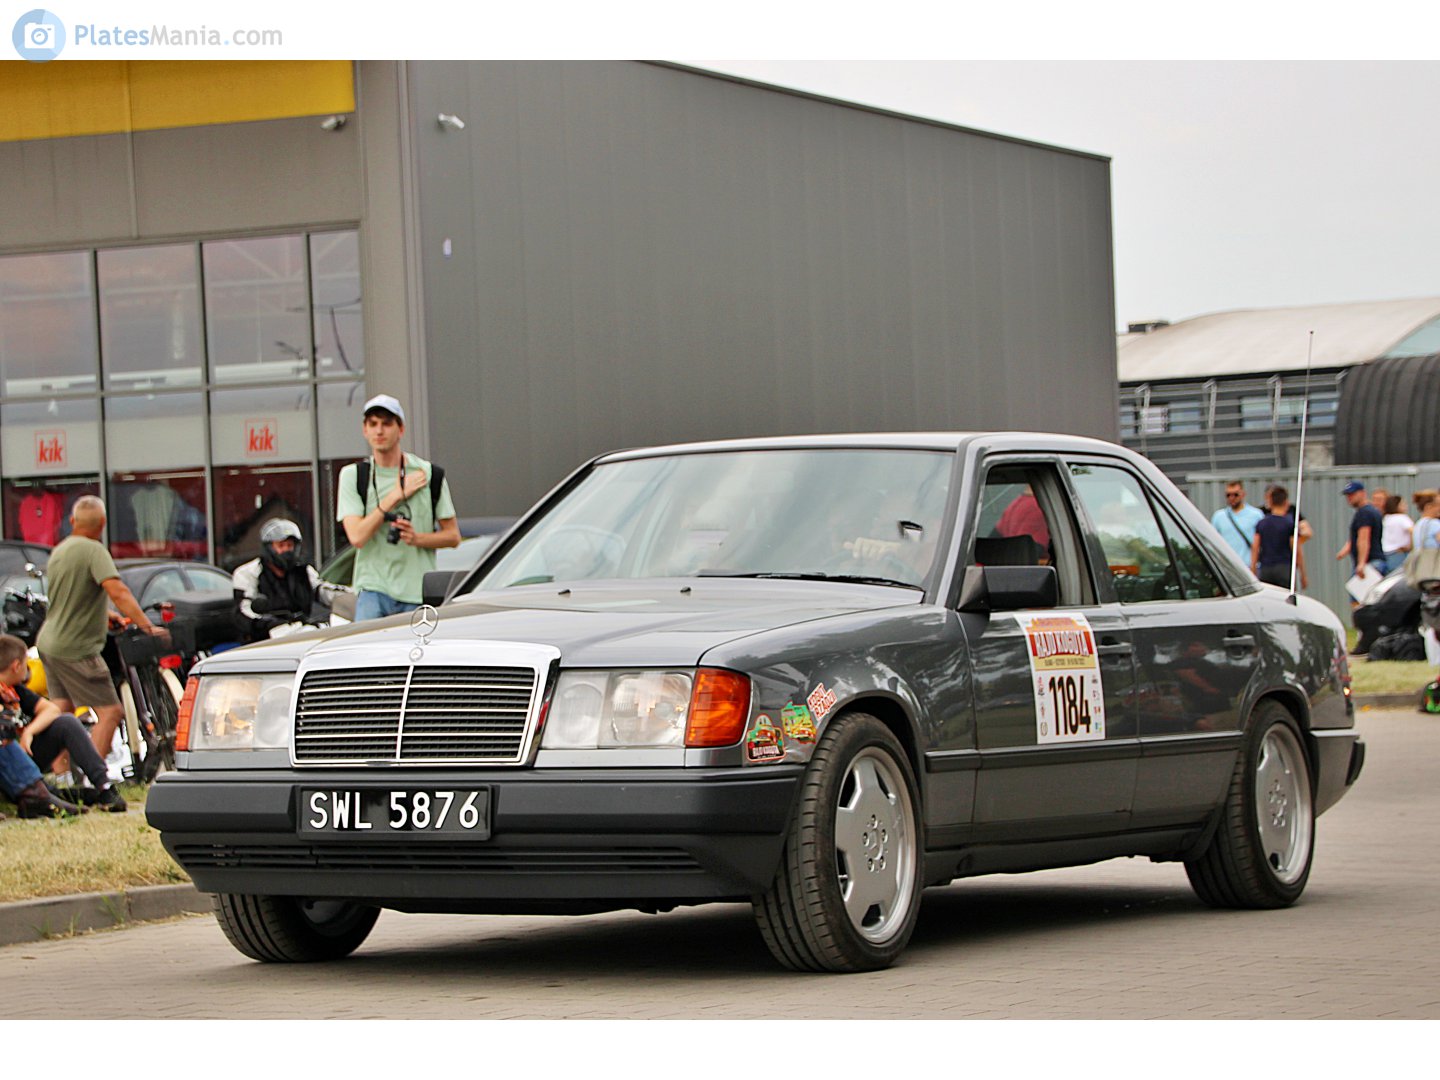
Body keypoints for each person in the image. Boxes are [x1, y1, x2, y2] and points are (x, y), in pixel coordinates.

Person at [35, 495, 167, 758]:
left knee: (62, 710)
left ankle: (61, 781)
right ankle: (97, 780)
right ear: (103, 523)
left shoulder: (60, 550)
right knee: (111, 711)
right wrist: (147, 626)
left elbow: (70, 596)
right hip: (77, 648)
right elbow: (118, 591)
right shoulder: (94, 551)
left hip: (49, 642)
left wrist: (105, 615)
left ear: (73, 521)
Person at [336, 394, 460, 621]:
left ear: (401, 429)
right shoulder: (354, 476)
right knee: (368, 655)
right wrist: (395, 496)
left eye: (387, 423)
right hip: (372, 589)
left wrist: (417, 538)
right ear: (364, 430)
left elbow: (453, 536)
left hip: (417, 592)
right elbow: (357, 537)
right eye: (372, 424)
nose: (379, 431)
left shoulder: (428, 474)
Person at [0, 633, 124, 811]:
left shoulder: (13, 690)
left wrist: (29, 732)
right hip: (6, 761)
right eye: (25, 664)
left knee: (66, 722)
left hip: (21, 757)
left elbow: (51, 709)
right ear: (16, 666)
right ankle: (38, 797)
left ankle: (104, 786)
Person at [233, 518, 348, 641]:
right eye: (281, 546)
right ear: (269, 547)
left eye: (290, 546)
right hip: (265, 639)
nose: (286, 550)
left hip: (302, 633)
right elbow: (243, 611)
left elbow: (323, 590)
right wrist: (269, 624)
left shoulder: (303, 571)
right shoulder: (249, 573)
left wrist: (350, 597)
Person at [1251, 485, 1307, 589]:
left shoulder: (1261, 524)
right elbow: (1297, 550)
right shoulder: (1290, 524)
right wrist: (1303, 575)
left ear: (1270, 502)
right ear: (1286, 502)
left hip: (1265, 568)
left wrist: (1253, 570)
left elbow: (1255, 548)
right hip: (1284, 567)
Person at [1336, 480, 1386, 580]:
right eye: (1348, 495)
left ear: (1363, 493)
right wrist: (1345, 550)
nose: (1349, 498)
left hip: (1369, 564)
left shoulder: (1364, 513)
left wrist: (1361, 563)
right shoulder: (1371, 511)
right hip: (1375, 562)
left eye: (1353, 494)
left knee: (1361, 594)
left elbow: (1364, 538)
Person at [1210, 481, 1264, 563]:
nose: (1232, 498)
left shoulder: (1256, 515)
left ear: (1243, 494)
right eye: (1228, 495)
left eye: (1235, 494)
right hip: (1228, 566)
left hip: (1249, 565)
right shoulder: (1218, 516)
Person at [1381, 493, 1414, 561]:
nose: (1406, 506)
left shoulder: (1386, 518)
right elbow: (1413, 531)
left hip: (1386, 552)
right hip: (1400, 553)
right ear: (1396, 506)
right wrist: (1410, 546)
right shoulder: (1402, 518)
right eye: (1403, 504)